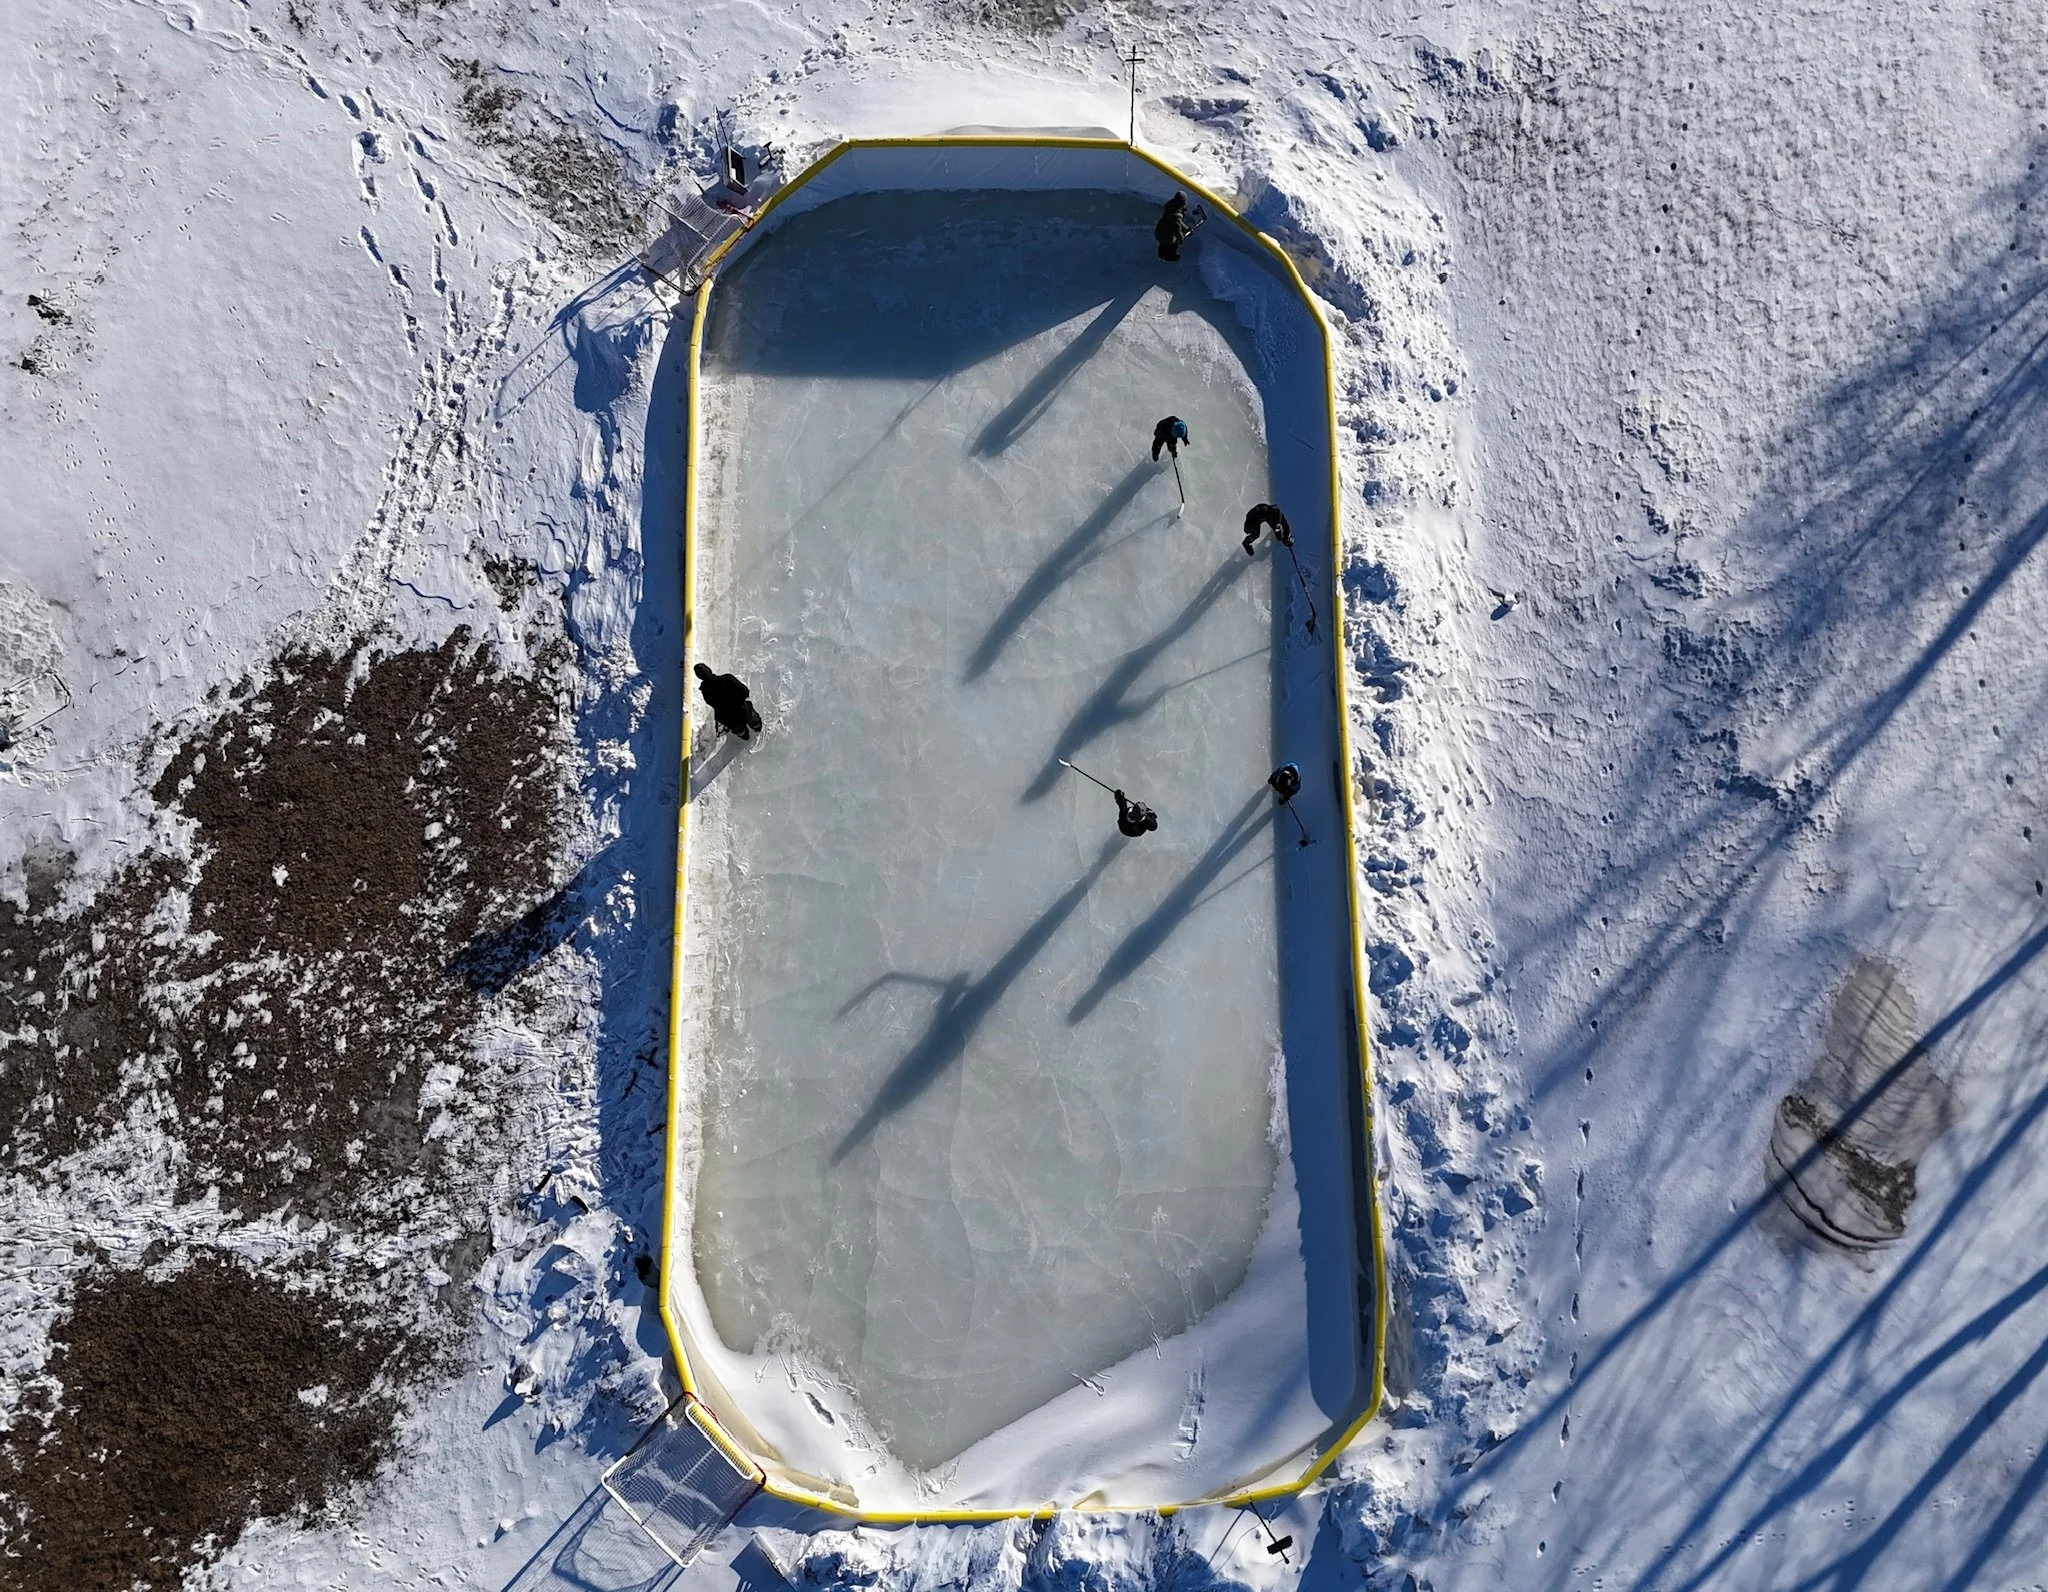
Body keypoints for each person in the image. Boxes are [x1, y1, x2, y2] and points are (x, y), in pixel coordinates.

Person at [694, 661, 762, 739]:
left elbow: (712, 704)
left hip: (728, 718)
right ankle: (757, 727)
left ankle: (744, 736)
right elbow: (745, 691)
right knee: (753, 719)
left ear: (699, 677)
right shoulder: (727, 678)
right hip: (742, 709)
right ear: (709, 670)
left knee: (739, 730)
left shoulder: (705, 692)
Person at [1155, 192, 1194, 261]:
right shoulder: (1176, 216)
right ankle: (1170, 257)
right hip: (1167, 236)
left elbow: (1179, 222)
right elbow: (1177, 230)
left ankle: (1160, 254)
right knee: (1173, 243)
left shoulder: (1170, 206)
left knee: (1163, 242)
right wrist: (1181, 240)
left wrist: (1186, 228)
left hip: (1160, 230)